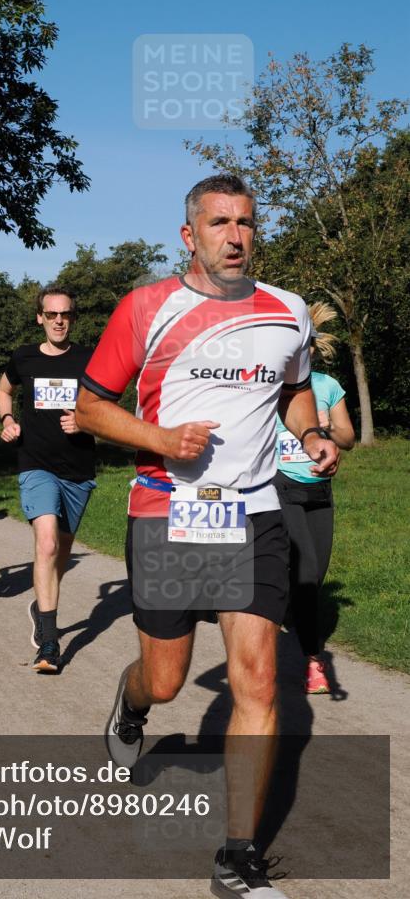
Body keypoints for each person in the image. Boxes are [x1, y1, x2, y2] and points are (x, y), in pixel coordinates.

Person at [75, 174, 340, 899]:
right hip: (168, 510)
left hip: (253, 512)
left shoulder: (287, 312)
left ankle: (237, 858)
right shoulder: (147, 308)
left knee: (258, 678)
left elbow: (292, 388)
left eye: (246, 222)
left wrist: (311, 433)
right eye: (220, 223)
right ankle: (131, 706)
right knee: (164, 679)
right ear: (189, 235)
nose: (236, 235)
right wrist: (161, 437)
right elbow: (91, 407)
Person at [0, 285, 96, 673]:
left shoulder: (89, 358)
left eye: (65, 314)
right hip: (35, 463)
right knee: (48, 541)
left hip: (78, 469)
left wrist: (86, 419)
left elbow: (105, 400)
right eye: (51, 314)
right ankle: (50, 644)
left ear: (72, 318)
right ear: (40, 317)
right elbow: (4, 390)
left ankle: (42, 608)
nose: (58, 320)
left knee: (60, 553)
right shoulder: (23, 357)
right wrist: (7, 419)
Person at [275, 301, 355, 694]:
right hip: (279, 485)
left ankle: (281, 606)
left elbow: (349, 439)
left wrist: (326, 429)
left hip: (320, 489)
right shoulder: (270, 385)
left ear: (311, 349)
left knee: (314, 576)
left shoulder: (327, 386)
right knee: (305, 572)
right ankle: (313, 660)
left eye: (305, 345)